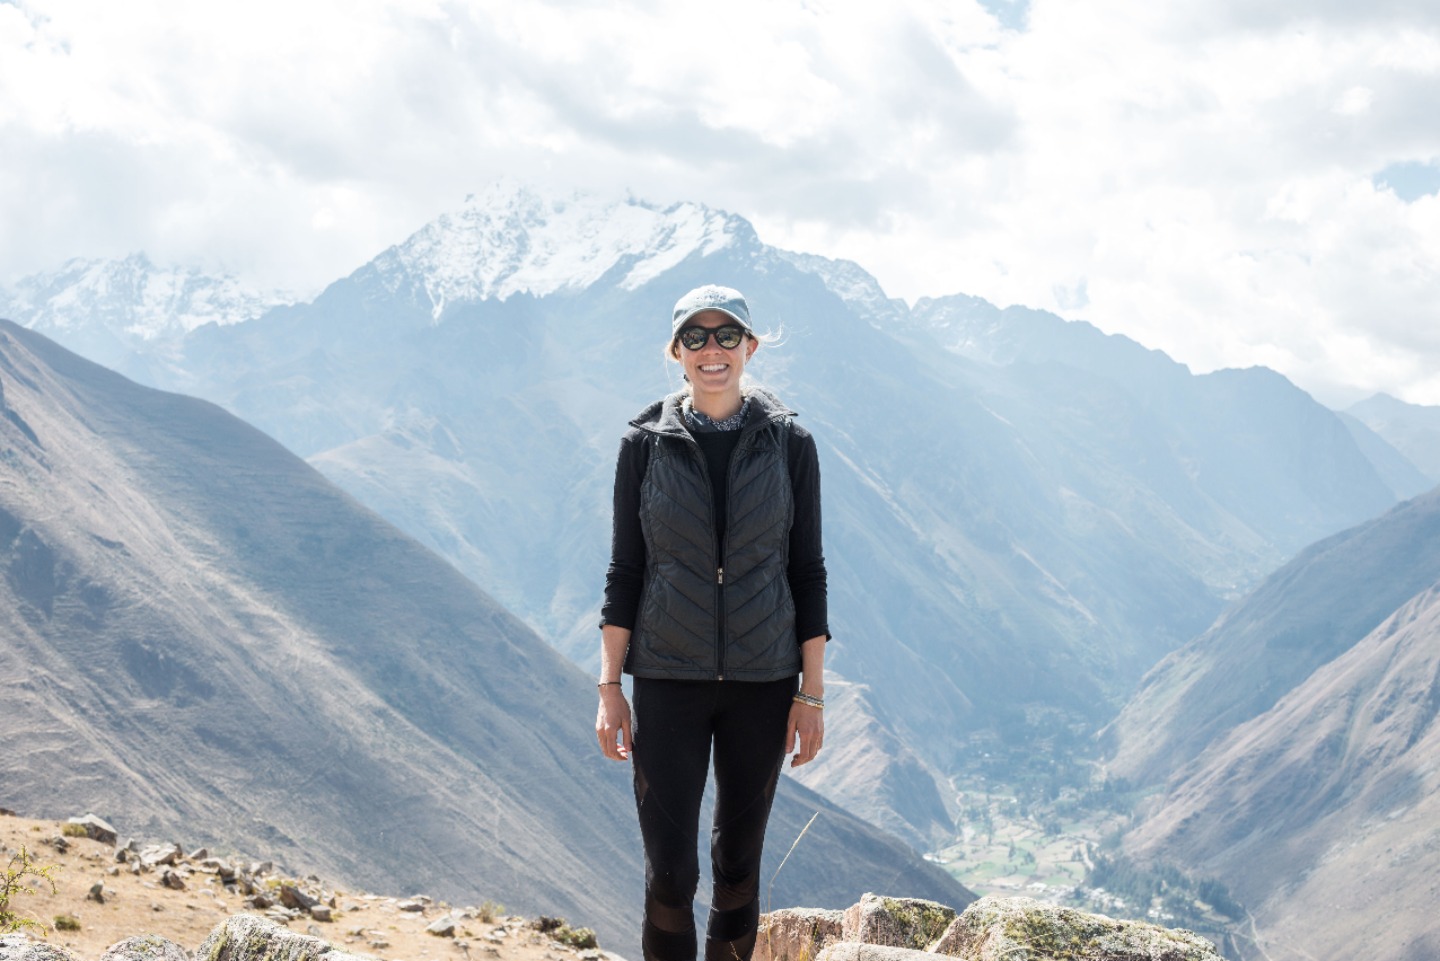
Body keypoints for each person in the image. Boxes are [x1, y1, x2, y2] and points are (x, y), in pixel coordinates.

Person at [596, 284, 830, 961]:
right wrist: (609, 686)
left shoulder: (790, 443)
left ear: (750, 346)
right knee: (670, 874)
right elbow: (625, 571)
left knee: (737, 869)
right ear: (676, 352)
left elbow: (807, 572)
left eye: (726, 335)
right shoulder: (644, 445)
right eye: (694, 337)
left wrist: (812, 693)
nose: (712, 349)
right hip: (667, 679)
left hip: (764, 681)